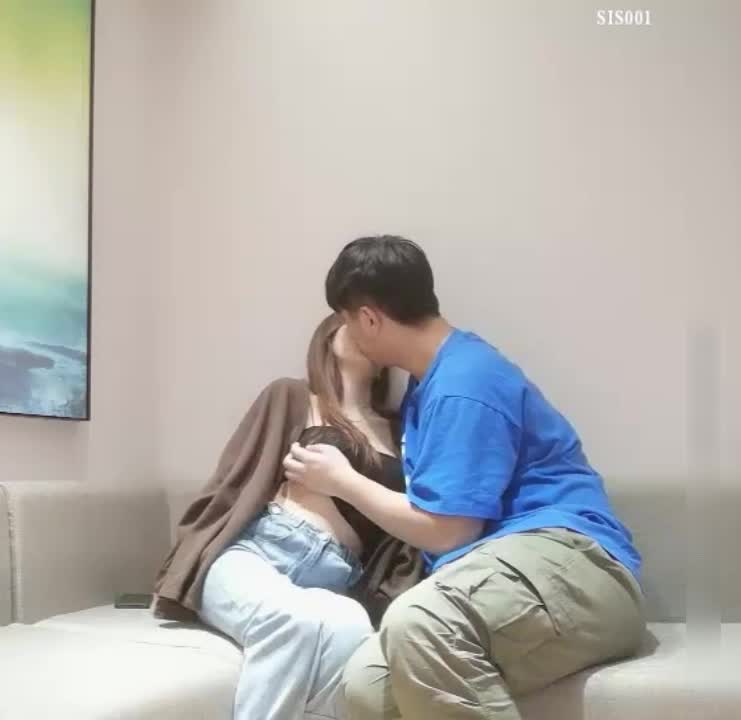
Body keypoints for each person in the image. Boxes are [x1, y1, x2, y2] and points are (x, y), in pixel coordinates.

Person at [283, 236, 644, 720]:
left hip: (576, 568)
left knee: (419, 624)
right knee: (367, 686)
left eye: (347, 320)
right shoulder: (428, 386)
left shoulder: (464, 383)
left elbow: (448, 530)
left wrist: (342, 481)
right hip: (505, 575)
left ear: (368, 318)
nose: (348, 332)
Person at [153, 313, 423, 720]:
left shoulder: (400, 429)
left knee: (351, 628)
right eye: (351, 318)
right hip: (262, 550)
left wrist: (343, 480)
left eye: (373, 322)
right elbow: (235, 478)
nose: (363, 326)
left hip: (337, 574)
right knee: (294, 622)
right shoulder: (293, 396)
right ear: (327, 338)